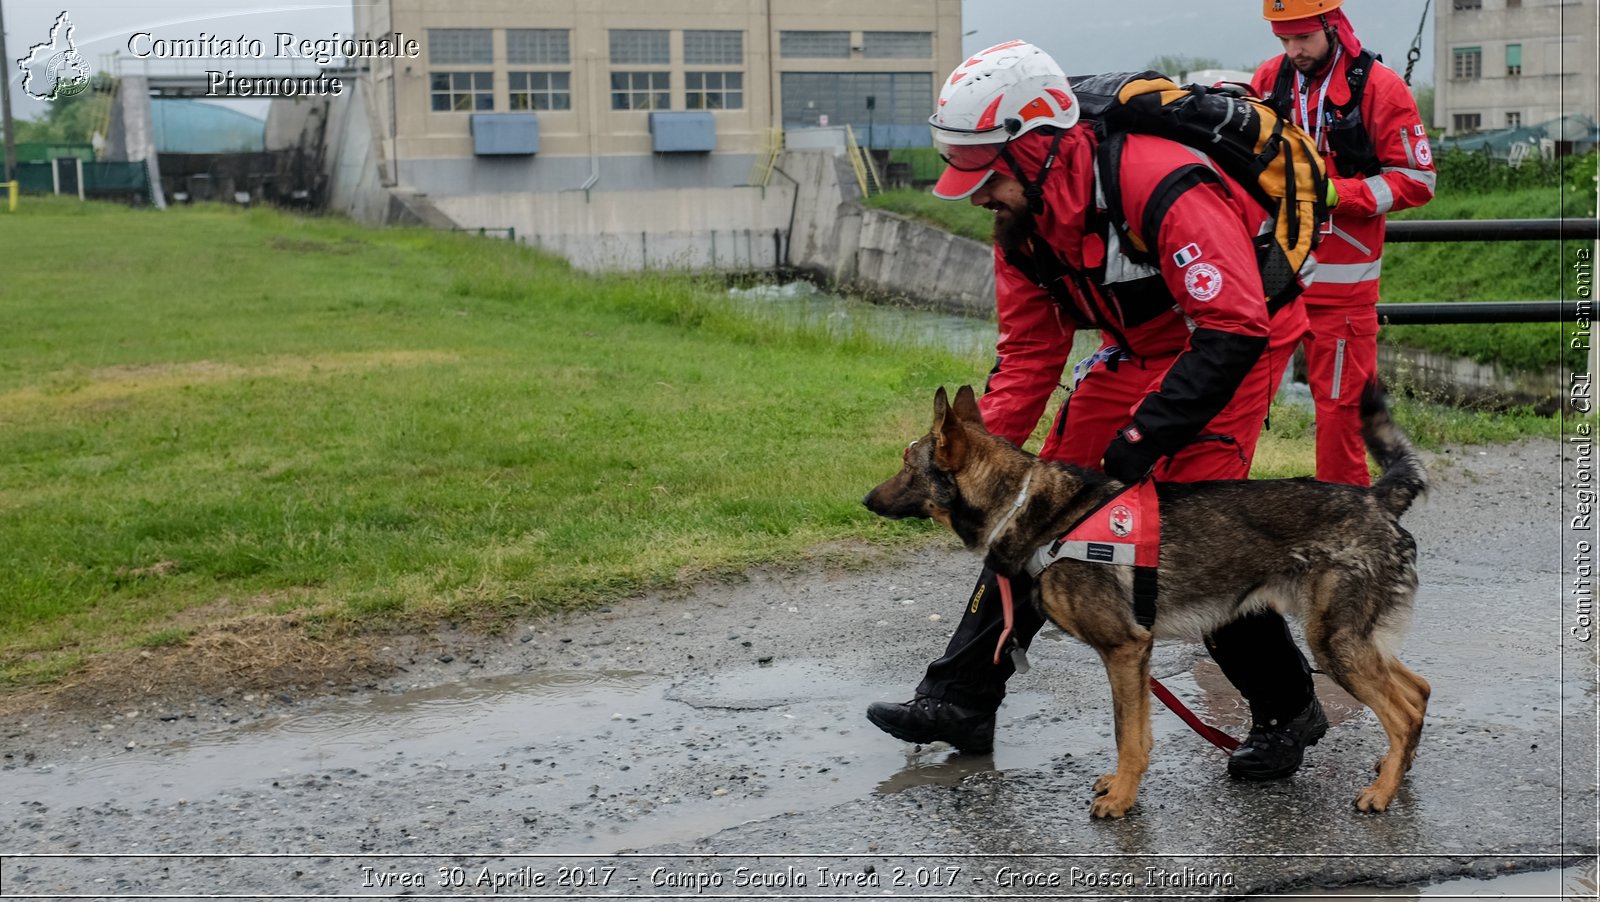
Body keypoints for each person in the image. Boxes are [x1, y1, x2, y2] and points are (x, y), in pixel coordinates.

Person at [865, 40, 1330, 781]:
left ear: (1037, 145)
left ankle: (1286, 710)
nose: (975, 193)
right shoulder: (1019, 220)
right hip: (1140, 347)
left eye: (984, 175)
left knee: (1202, 535)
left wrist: (1147, 437)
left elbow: (1234, 327)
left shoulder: (1158, 180)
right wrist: (976, 473)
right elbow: (1026, 357)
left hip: (1238, 345)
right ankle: (959, 698)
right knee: (1036, 512)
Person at [1252, 0, 1436, 485]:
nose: (1293, 50)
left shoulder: (1381, 87)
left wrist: (1339, 193)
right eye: (1283, 39)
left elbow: (1418, 180)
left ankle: (1348, 529)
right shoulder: (1269, 80)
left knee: (1341, 417)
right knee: (1237, 398)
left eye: (1303, 38)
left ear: (1332, 26)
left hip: (1344, 290)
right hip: (1275, 276)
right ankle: (1216, 521)